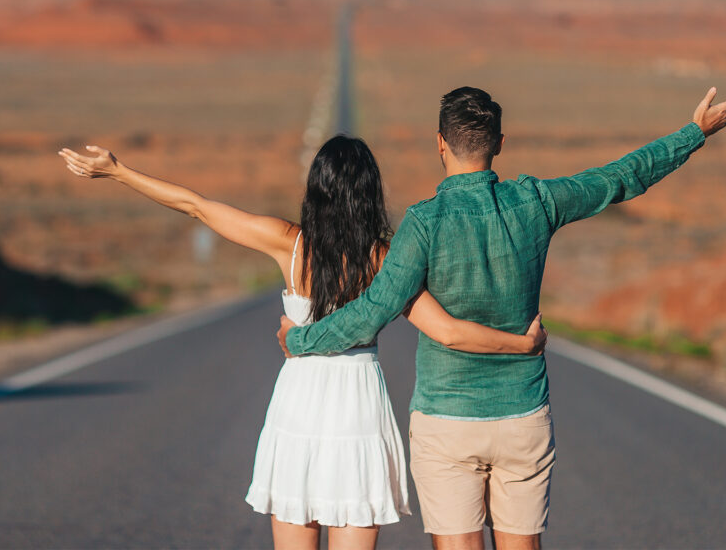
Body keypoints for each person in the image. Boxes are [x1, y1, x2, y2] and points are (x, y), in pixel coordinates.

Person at [277, 87, 726, 550]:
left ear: (440, 142)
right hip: (522, 413)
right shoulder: (537, 201)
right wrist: (694, 132)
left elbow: (372, 311)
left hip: (448, 420)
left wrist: (300, 340)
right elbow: (621, 178)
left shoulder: (423, 223)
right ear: (500, 143)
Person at [59, 135, 547, 550]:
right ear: (370, 193)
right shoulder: (385, 259)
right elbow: (446, 330)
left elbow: (196, 206)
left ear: (317, 190)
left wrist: (119, 171)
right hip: (359, 411)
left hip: (299, 409)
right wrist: (520, 345)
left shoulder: (287, 243)